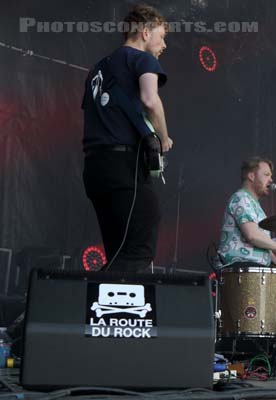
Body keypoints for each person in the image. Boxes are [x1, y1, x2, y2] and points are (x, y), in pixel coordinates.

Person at [82, 4, 173, 272]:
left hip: (95, 168)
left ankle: (103, 310)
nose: (164, 44)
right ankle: (94, 300)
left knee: (118, 250)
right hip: (123, 165)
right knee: (139, 247)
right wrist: (164, 138)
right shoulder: (143, 60)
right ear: (145, 32)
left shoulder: (98, 68)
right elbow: (150, 100)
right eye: (161, 36)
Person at [218, 157, 276, 268]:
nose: (271, 180)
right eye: (266, 174)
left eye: (271, 176)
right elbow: (253, 235)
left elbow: (259, 242)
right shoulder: (241, 198)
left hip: (254, 268)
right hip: (242, 268)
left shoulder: (253, 203)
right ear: (251, 176)